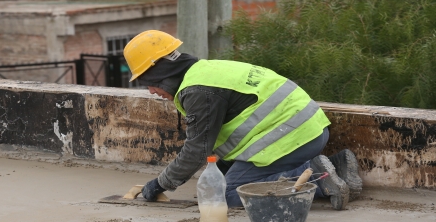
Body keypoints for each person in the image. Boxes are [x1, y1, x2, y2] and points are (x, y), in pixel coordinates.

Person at [123, 30, 363, 210]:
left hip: (293, 139)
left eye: (149, 82)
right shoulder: (207, 71)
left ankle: (318, 178)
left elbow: (196, 150)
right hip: (310, 130)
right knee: (225, 183)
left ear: (161, 72)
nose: (152, 91)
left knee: (228, 195)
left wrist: (160, 183)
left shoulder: (199, 91)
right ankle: (337, 164)